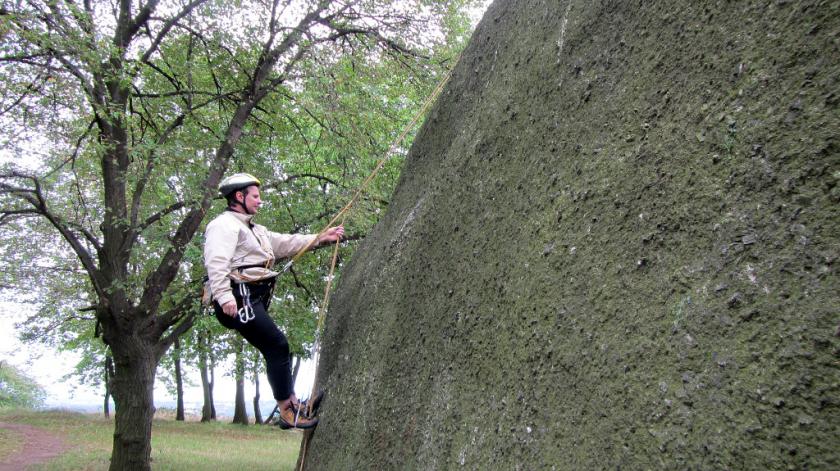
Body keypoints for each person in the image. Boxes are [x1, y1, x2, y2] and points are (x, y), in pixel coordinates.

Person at [203, 172, 344, 429]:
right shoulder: (223, 225)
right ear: (239, 196)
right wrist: (224, 297)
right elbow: (216, 263)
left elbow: (284, 243)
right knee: (277, 345)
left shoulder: (254, 229)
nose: (260, 201)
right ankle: (287, 411)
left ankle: (292, 404)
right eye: (255, 196)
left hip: (251, 296)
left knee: (276, 347)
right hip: (238, 297)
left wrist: (321, 237)